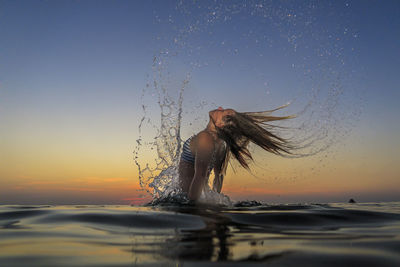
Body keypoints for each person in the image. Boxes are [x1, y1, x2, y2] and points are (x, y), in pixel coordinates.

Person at [179, 105, 294, 201]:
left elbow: (201, 175)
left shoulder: (205, 138)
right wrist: (214, 200)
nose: (220, 108)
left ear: (220, 125)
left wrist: (191, 208)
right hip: (194, 197)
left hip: (187, 198)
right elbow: (219, 176)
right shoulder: (221, 144)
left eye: (223, 112)